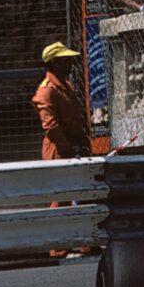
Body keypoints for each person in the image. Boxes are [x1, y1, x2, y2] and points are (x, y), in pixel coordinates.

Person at [31, 42, 93, 257]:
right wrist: (68, 148)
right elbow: (50, 126)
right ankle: (57, 247)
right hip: (59, 149)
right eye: (66, 59)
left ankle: (87, 243)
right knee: (61, 198)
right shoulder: (46, 90)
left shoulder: (65, 85)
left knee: (83, 193)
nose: (71, 62)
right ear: (54, 62)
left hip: (73, 145)